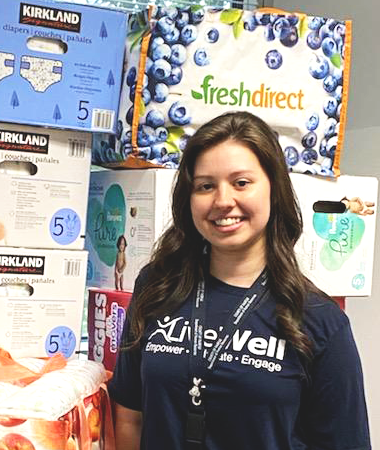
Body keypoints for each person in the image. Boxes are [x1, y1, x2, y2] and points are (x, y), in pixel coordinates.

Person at [109, 111, 370, 450]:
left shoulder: (319, 319)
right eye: (205, 186)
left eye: (241, 183)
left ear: (273, 188)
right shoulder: (157, 287)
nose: (222, 201)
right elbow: (131, 415)